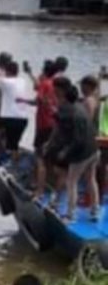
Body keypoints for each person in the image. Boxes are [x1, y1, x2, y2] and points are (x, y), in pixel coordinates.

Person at [45, 77, 100, 221]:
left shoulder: (69, 111)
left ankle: (70, 214)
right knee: (91, 179)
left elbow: (76, 139)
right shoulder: (80, 106)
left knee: (71, 181)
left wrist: (65, 152)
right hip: (94, 149)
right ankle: (95, 211)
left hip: (82, 152)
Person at [17, 60, 58, 199]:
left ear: (45, 71)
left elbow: (38, 100)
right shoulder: (55, 83)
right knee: (49, 156)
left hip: (43, 125)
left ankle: (38, 190)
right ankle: (49, 183)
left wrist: (23, 101)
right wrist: (29, 73)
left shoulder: (45, 84)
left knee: (39, 157)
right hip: (54, 125)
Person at [0, 60, 31, 160]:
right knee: (14, 145)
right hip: (24, 120)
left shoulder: (5, 82)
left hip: (10, 119)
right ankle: (13, 161)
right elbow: (1, 78)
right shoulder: (22, 81)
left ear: (7, 72)